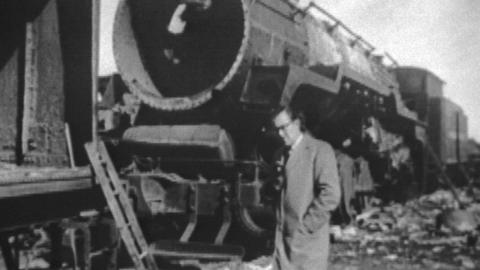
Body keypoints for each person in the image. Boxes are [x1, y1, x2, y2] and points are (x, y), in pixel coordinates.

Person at [271, 106, 341, 270]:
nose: (280, 134)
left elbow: (331, 195)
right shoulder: (279, 154)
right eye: (277, 130)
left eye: (283, 128)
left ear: (296, 123)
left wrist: (305, 228)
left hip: (308, 245)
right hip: (282, 244)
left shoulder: (320, 150)